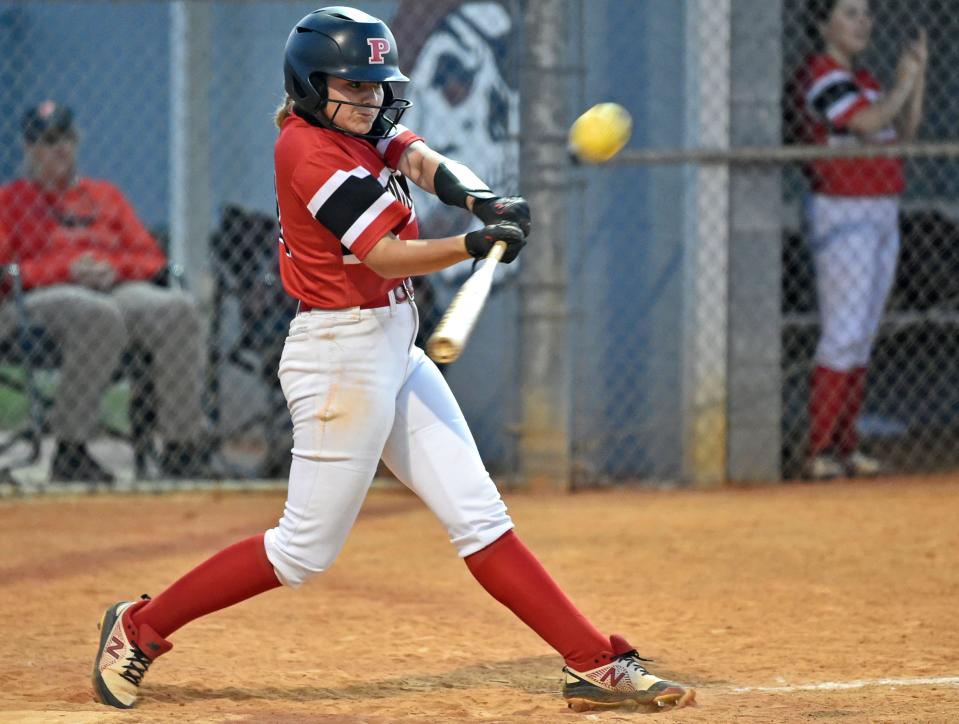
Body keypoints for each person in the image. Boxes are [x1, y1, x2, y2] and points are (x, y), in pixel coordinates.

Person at [91, 6, 694, 713]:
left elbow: (415, 156)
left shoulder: (360, 124)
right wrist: (471, 244)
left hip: (390, 346)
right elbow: (382, 254)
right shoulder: (306, 151)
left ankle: (592, 661)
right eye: (351, 86)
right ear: (312, 87)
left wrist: (477, 198)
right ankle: (138, 628)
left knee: (480, 519)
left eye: (377, 85)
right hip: (338, 359)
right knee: (300, 552)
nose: (369, 99)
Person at [0, 101, 207, 482]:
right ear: (29, 149)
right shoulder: (11, 200)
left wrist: (115, 268)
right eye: (47, 141)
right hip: (36, 300)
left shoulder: (104, 195)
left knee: (178, 308)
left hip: (114, 286)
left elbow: (150, 258)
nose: (59, 149)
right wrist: (64, 270)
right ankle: (71, 450)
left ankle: (182, 448)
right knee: (97, 314)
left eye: (64, 138)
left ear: (77, 141)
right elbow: (5, 271)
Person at [792, 0, 926, 479]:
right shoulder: (821, 76)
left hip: (881, 206)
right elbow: (867, 125)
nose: (863, 22)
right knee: (843, 330)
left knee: (864, 333)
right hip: (843, 209)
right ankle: (820, 449)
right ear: (824, 24)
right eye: (849, 13)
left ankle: (846, 446)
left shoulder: (866, 81)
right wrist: (904, 84)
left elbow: (898, 133)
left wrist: (916, 78)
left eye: (866, 14)